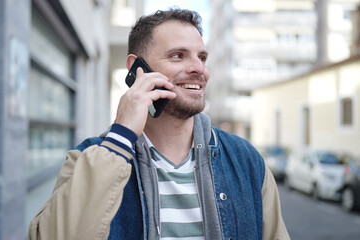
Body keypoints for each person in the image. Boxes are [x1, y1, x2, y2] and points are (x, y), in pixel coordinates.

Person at [29, 8, 290, 240]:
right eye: (178, 56)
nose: (199, 69)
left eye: (202, 57)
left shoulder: (247, 161)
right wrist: (121, 134)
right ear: (137, 68)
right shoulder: (88, 158)